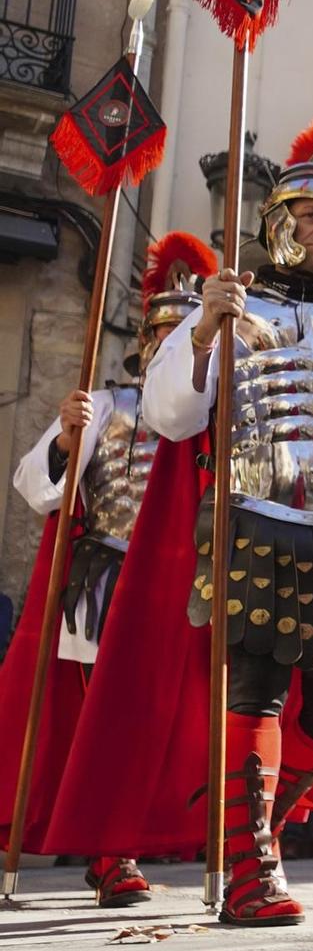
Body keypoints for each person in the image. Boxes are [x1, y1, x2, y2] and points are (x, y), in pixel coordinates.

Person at [138, 112, 313, 926]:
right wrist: (208, 332)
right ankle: (250, 868)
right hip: (251, 524)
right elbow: (170, 413)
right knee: (253, 693)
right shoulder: (223, 305)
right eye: (306, 216)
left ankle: (259, 830)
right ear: (275, 222)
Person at [0, 233, 213, 905]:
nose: (168, 346)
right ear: (145, 344)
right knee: (107, 721)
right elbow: (34, 483)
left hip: (174, 595)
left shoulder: (211, 422)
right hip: (102, 590)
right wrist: (66, 441)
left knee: (156, 723)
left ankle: (136, 841)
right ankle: (111, 851)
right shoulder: (109, 408)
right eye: (162, 335)